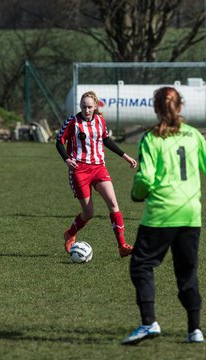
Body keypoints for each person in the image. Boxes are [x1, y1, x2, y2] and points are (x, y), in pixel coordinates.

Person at [122, 86, 206, 345]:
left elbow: (145, 179)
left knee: (141, 265)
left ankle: (149, 323)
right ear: (180, 106)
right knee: (187, 272)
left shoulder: (151, 138)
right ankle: (194, 330)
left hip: (161, 214)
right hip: (190, 215)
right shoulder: (194, 136)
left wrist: (137, 194)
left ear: (156, 108)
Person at [56, 90, 137, 258]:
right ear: (80, 106)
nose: (86, 110)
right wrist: (66, 159)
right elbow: (59, 142)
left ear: (95, 106)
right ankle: (70, 233)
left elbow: (106, 140)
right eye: (84, 107)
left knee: (113, 204)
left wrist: (126, 156)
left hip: (99, 168)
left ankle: (122, 246)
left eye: (90, 107)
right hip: (79, 170)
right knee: (89, 213)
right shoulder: (73, 122)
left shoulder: (100, 121)